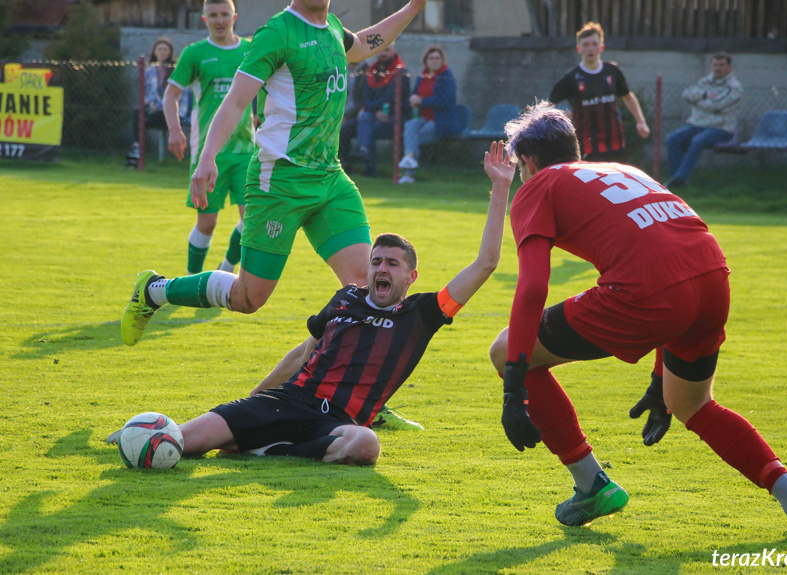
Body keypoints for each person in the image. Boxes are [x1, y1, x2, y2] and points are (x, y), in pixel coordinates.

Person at [487, 101, 787, 539]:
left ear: (530, 161)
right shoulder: (624, 171)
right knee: (691, 403)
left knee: (505, 350)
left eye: (520, 165)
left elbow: (534, 286)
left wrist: (514, 383)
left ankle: (590, 483)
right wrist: (660, 375)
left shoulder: (539, 185)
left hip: (650, 295)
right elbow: (668, 257)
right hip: (713, 279)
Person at [116, 141, 512, 465]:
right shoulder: (345, 299)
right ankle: (147, 433)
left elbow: (486, 263)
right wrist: (250, 403)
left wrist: (500, 189)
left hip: (338, 422)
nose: (380, 269)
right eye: (375, 261)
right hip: (287, 402)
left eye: (392, 263)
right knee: (181, 443)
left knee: (366, 445)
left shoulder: (423, 313)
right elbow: (302, 355)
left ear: (411, 277)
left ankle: (269, 449)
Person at [121, 0, 429, 346]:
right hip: (278, 180)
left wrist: (413, 8)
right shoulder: (277, 32)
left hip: (330, 178)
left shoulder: (331, 29)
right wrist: (208, 156)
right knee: (248, 297)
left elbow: (364, 43)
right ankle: (153, 291)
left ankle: (352, 391)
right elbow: (236, 101)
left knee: (364, 285)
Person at [160, 0, 255, 277]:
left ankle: (226, 268)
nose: (219, 20)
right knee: (207, 223)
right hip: (208, 153)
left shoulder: (250, 50)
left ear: (234, 16)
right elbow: (170, 96)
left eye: (224, 14)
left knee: (251, 219)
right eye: (213, 15)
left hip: (246, 150)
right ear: (204, 20)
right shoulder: (195, 53)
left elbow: (266, 89)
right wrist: (175, 130)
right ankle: (192, 280)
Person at [548, 21, 649, 163]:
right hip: (586, 144)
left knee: (617, 182)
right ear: (579, 49)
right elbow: (549, 105)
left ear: (601, 47)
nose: (590, 49)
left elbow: (627, 96)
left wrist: (641, 121)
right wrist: (561, 116)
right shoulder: (571, 78)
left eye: (594, 44)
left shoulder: (612, 72)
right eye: (586, 45)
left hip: (615, 142)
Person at [665, 52, 743, 189]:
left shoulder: (734, 88)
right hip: (697, 125)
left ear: (729, 68)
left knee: (698, 141)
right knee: (672, 139)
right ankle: (676, 181)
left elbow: (717, 106)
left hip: (721, 129)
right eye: (715, 65)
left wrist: (696, 101)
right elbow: (686, 94)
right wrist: (704, 95)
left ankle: (681, 178)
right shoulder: (704, 82)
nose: (717, 68)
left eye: (721, 65)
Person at [397, 45, 460, 184]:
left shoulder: (447, 77)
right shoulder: (422, 75)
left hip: (440, 121)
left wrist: (421, 101)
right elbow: (415, 94)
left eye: (437, 58)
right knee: (410, 125)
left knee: (413, 138)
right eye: (431, 58)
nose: (434, 61)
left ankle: (408, 174)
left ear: (442, 60)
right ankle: (409, 162)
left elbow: (445, 101)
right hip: (422, 118)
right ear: (426, 60)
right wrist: (413, 100)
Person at [348, 44, 412, 176]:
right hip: (374, 115)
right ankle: (349, 165)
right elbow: (365, 98)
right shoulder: (371, 72)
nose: (383, 53)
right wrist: (374, 111)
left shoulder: (401, 72)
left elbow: (392, 97)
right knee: (348, 128)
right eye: (381, 50)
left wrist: (372, 109)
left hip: (395, 117)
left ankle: (371, 168)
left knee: (370, 127)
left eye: (387, 50)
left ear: (393, 52)